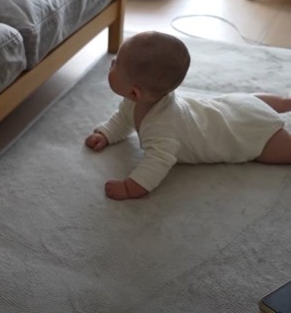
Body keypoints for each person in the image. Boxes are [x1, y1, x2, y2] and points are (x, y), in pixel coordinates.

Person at [85, 31, 291, 200]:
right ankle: (284, 102)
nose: (112, 62)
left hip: (242, 132)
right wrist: (106, 134)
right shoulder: (135, 102)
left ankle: (283, 106)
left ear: (134, 92)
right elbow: (123, 119)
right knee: (249, 101)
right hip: (237, 105)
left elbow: (157, 162)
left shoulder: (163, 129)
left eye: (116, 64)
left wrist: (130, 187)